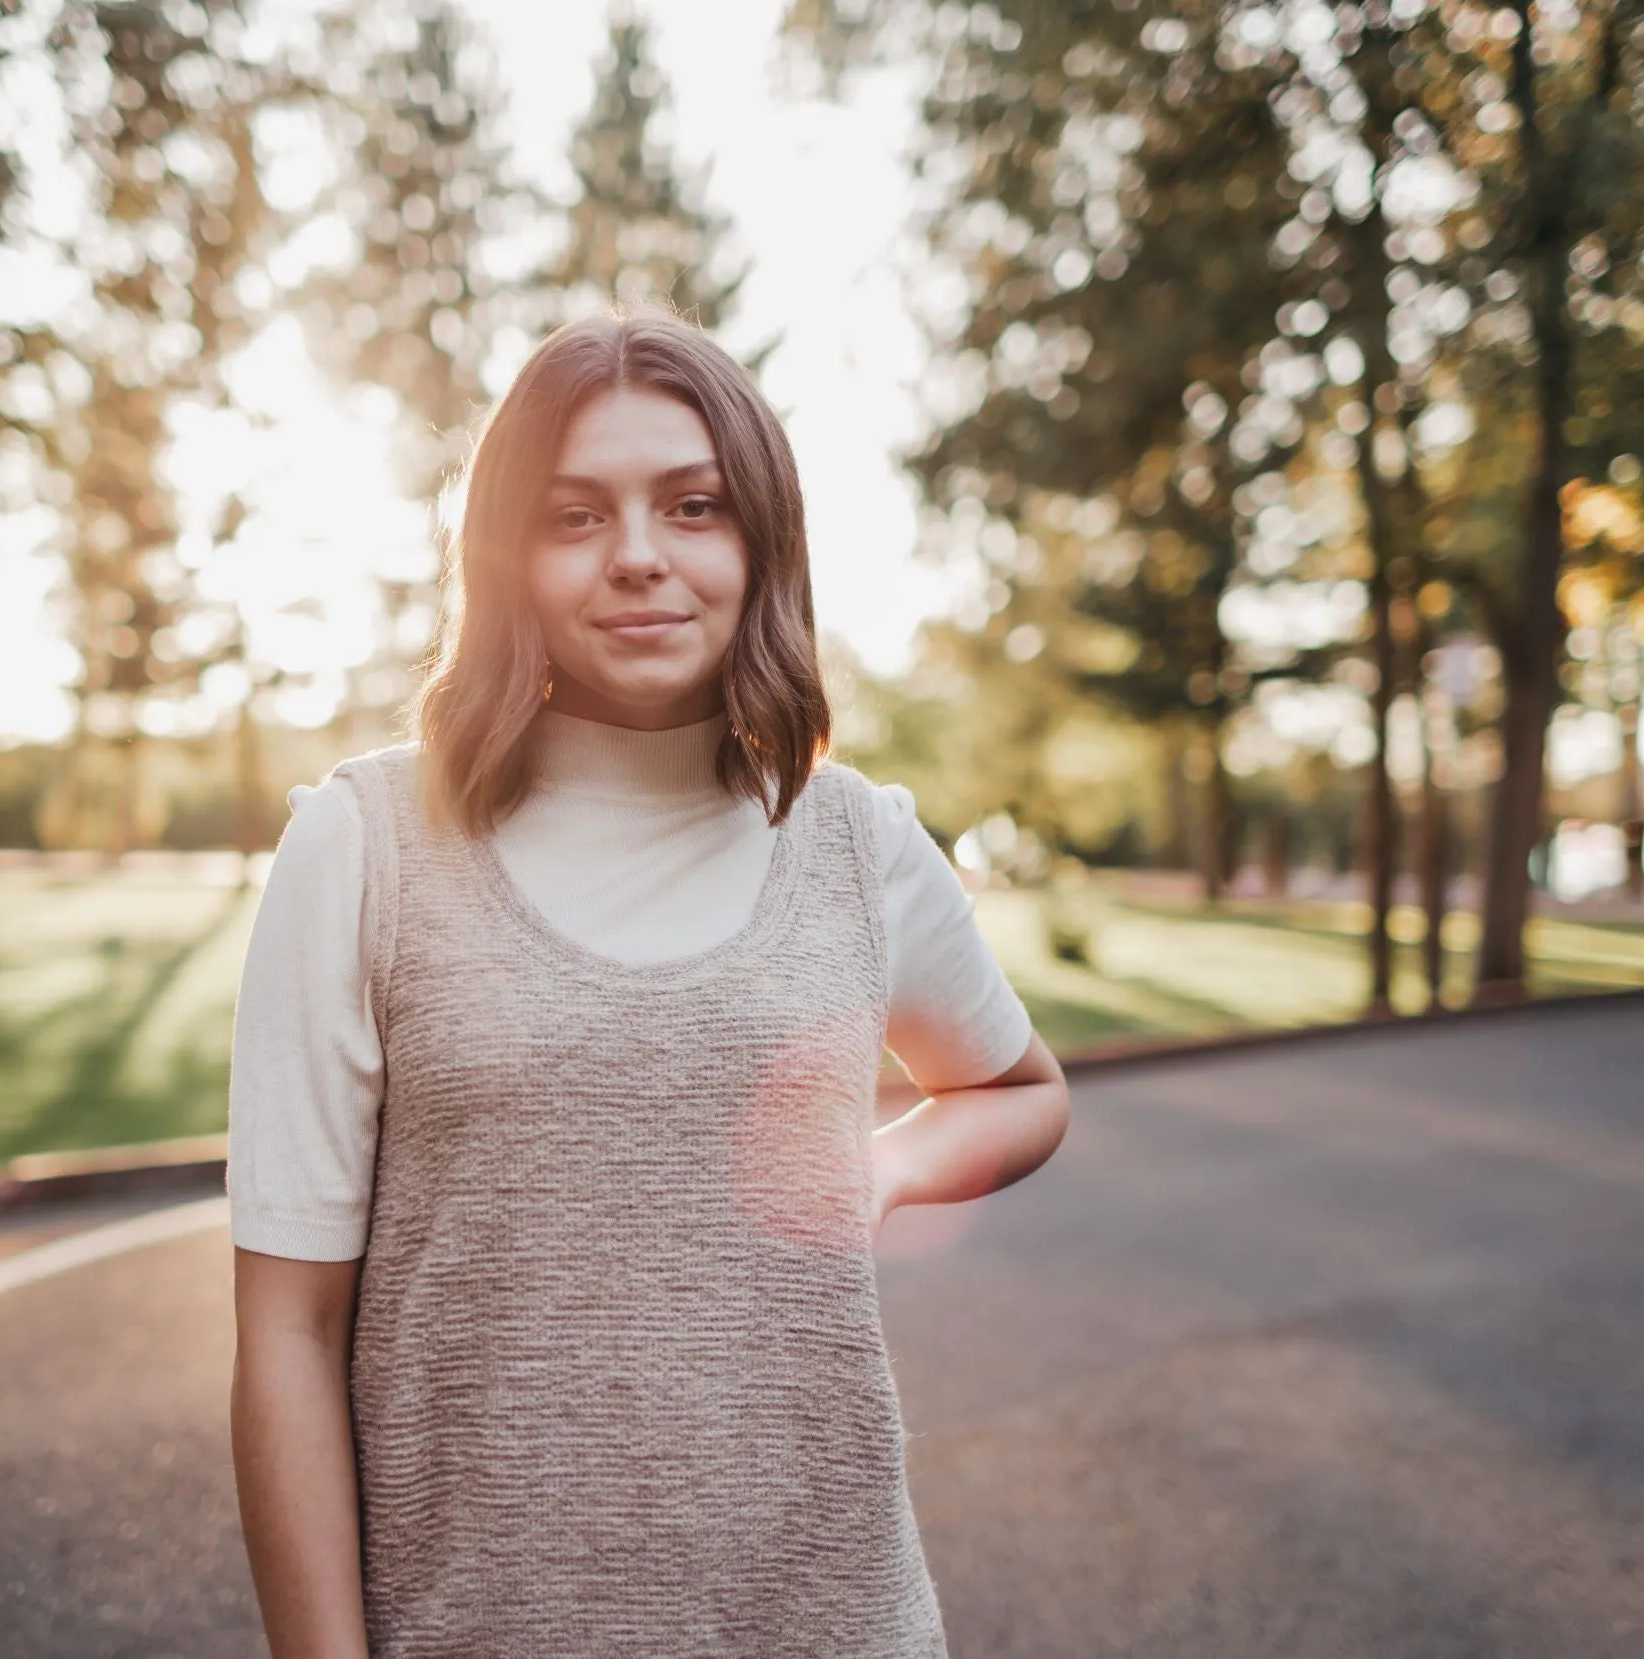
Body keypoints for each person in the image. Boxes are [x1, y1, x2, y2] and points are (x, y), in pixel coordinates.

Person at [227, 310, 1070, 1658]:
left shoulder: (855, 840)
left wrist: (884, 1168)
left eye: (693, 505)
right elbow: (287, 1326)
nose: (637, 556)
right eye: (574, 515)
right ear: (506, 555)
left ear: (760, 545)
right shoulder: (362, 845)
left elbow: (1019, 1092)